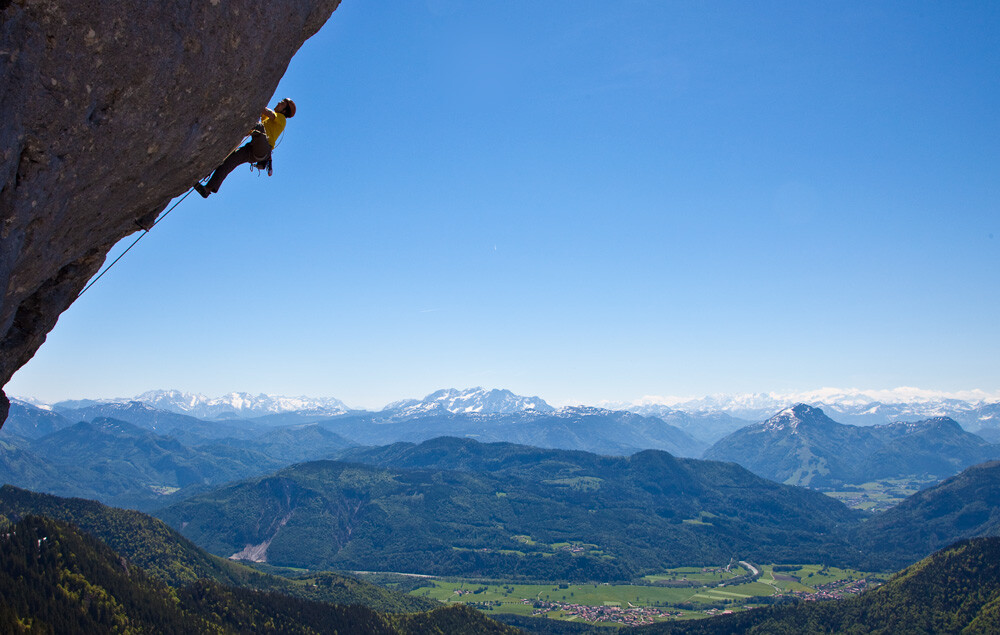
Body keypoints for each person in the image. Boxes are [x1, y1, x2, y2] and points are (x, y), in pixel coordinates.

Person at [194, 98, 296, 198]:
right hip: (253, 150)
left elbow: (268, 113)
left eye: (282, 103)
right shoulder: (268, 118)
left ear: (284, 111)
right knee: (229, 161)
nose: (279, 102)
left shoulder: (281, 119)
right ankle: (207, 189)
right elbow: (262, 114)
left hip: (263, 149)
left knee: (259, 127)